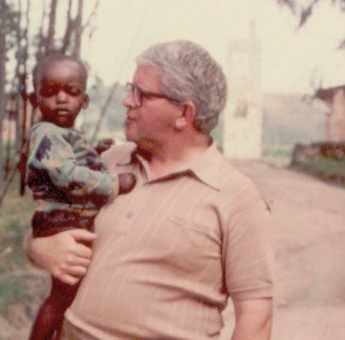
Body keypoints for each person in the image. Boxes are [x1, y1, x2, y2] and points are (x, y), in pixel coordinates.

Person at [25, 40, 274, 339]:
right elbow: (47, 223)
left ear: (184, 113)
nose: (127, 101)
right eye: (131, 89)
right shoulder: (106, 162)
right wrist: (37, 247)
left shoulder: (236, 197)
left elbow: (255, 316)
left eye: (140, 94)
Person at [26, 54, 136, 340]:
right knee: (61, 297)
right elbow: (66, 175)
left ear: (84, 101)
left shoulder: (63, 134)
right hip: (60, 219)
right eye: (50, 92)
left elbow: (70, 160)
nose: (61, 99)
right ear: (33, 99)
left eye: (71, 92)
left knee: (68, 295)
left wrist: (95, 152)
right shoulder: (46, 134)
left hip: (66, 216)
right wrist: (113, 184)